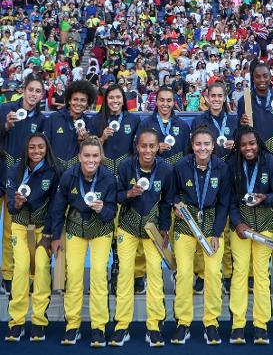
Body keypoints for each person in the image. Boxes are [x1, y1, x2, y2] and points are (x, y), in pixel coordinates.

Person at [109, 129, 174, 347]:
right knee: (125, 274)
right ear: (137, 147)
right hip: (127, 227)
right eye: (143, 146)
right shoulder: (126, 167)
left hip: (153, 229)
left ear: (158, 147)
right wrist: (128, 195)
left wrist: (164, 227)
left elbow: (167, 202)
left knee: (155, 274)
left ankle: (154, 325)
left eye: (152, 146)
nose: (147, 150)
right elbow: (115, 195)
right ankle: (121, 325)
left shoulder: (166, 169)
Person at [51, 136, 117, 347]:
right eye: (86, 155)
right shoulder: (69, 176)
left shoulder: (108, 178)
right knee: (75, 277)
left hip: (101, 230)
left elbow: (112, 211)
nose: (91, 160)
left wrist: (102, 209)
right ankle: (72, 326)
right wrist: (55, 237)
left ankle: (98, 327)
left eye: (95, 156)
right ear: (79, 156)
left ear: (101, 157)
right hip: (75, 229)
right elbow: (58, 208)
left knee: (98, 276)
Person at [171, 127, 231, 345]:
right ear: (192, 145)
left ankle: (211, 322)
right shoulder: (180, 166)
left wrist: (216, 232)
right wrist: (176, 204)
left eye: (206, 144)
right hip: (185, 224)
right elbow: (172, 193)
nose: (202, 148)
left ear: (213, 146)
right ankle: (183, 322)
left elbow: (224, 202)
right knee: (185, 274)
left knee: (214, 273)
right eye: (198, 144)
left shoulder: (222, 168)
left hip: (211, 225)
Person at [227, 126, 273, 345]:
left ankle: (261, 325)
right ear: (238, 147)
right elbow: (229, 200)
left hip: (265, 227)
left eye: (252, 143)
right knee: (239, 275)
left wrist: (265, 198)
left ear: (258, 143)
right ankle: (238, 325)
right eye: (243, 145)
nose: (248, 148)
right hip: (240, 230)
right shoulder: (231, 165)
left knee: (261, 276)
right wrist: (237, 223)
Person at [237, 61, 273, 288]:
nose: (261, 80)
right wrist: (241, 124)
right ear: (251, 78)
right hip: (252, 165)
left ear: (271, 77)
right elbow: (241, 134)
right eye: (257, 77)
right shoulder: (244, 101)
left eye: (265, 76)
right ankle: (249, 274)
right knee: (248, 216)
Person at [5, 133, 60, 342]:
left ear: (47, 149)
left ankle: (38, 321)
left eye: (40, 147)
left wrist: (48, 235)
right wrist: (17, 203)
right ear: (26, 150)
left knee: (42, 269)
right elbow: (11, 206)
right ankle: (16, 322)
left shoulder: (54, 173)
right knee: (20, 269)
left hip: (42, 229)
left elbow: (57, 208)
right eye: (32, 148)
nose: (36, 151)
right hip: (20, 227)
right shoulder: (15, 171)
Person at [90, 83, 142, 294]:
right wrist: (101, 139)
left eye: (118, 97)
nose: (114, 101)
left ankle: (128, 271)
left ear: (123, 100)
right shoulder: (96, 121)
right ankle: (105, 271)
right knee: (105, 225)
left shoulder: (134, 120)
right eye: (111, 97)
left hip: (123, 180)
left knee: (126, 226)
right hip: (101, 180)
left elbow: (137, 151)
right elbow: (88, 151)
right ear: (105, 100)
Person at [0, 73, 45, 294]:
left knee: (11, 228)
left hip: (20, 181)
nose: (34, 94)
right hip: (1, 173)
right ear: (23, 90)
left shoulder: (42, 120)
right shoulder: (5, 110)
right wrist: (6, 126)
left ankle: (9, 274)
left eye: (38, 91)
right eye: (31, 90)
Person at [191, 81, 238, 293]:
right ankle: (201, 274)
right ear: (207, 98)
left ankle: (227, 274)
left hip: (228, 174)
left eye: (220, 96)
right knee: (202, 228)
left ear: (225, 97)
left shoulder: (234, 120)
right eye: (213, 96)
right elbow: (193, 150)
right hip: (204, 176)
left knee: (225, 230)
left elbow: (244, 146)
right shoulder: (199, 121)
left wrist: (234, 146)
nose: (217, 99)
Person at [43, 80, 97, 169]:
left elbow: (90, 155)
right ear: (69, 100)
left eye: (83, 100)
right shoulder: (54, 118)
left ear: (87, 103)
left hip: (76, 173)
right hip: (53, 171)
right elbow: (45, 146)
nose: (78, 103)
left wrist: (82, 142)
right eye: (75, 99)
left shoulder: (89, 123)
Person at [138, 86, 190, 166]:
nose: (165, 104)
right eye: (161, 100)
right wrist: (155, 150)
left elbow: (187, 154)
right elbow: (137, 151)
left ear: (173, 102)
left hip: (177, 174)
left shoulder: (183, 125)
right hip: (154, 172)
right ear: (156, 102)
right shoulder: (146, 124)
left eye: (169, 100)